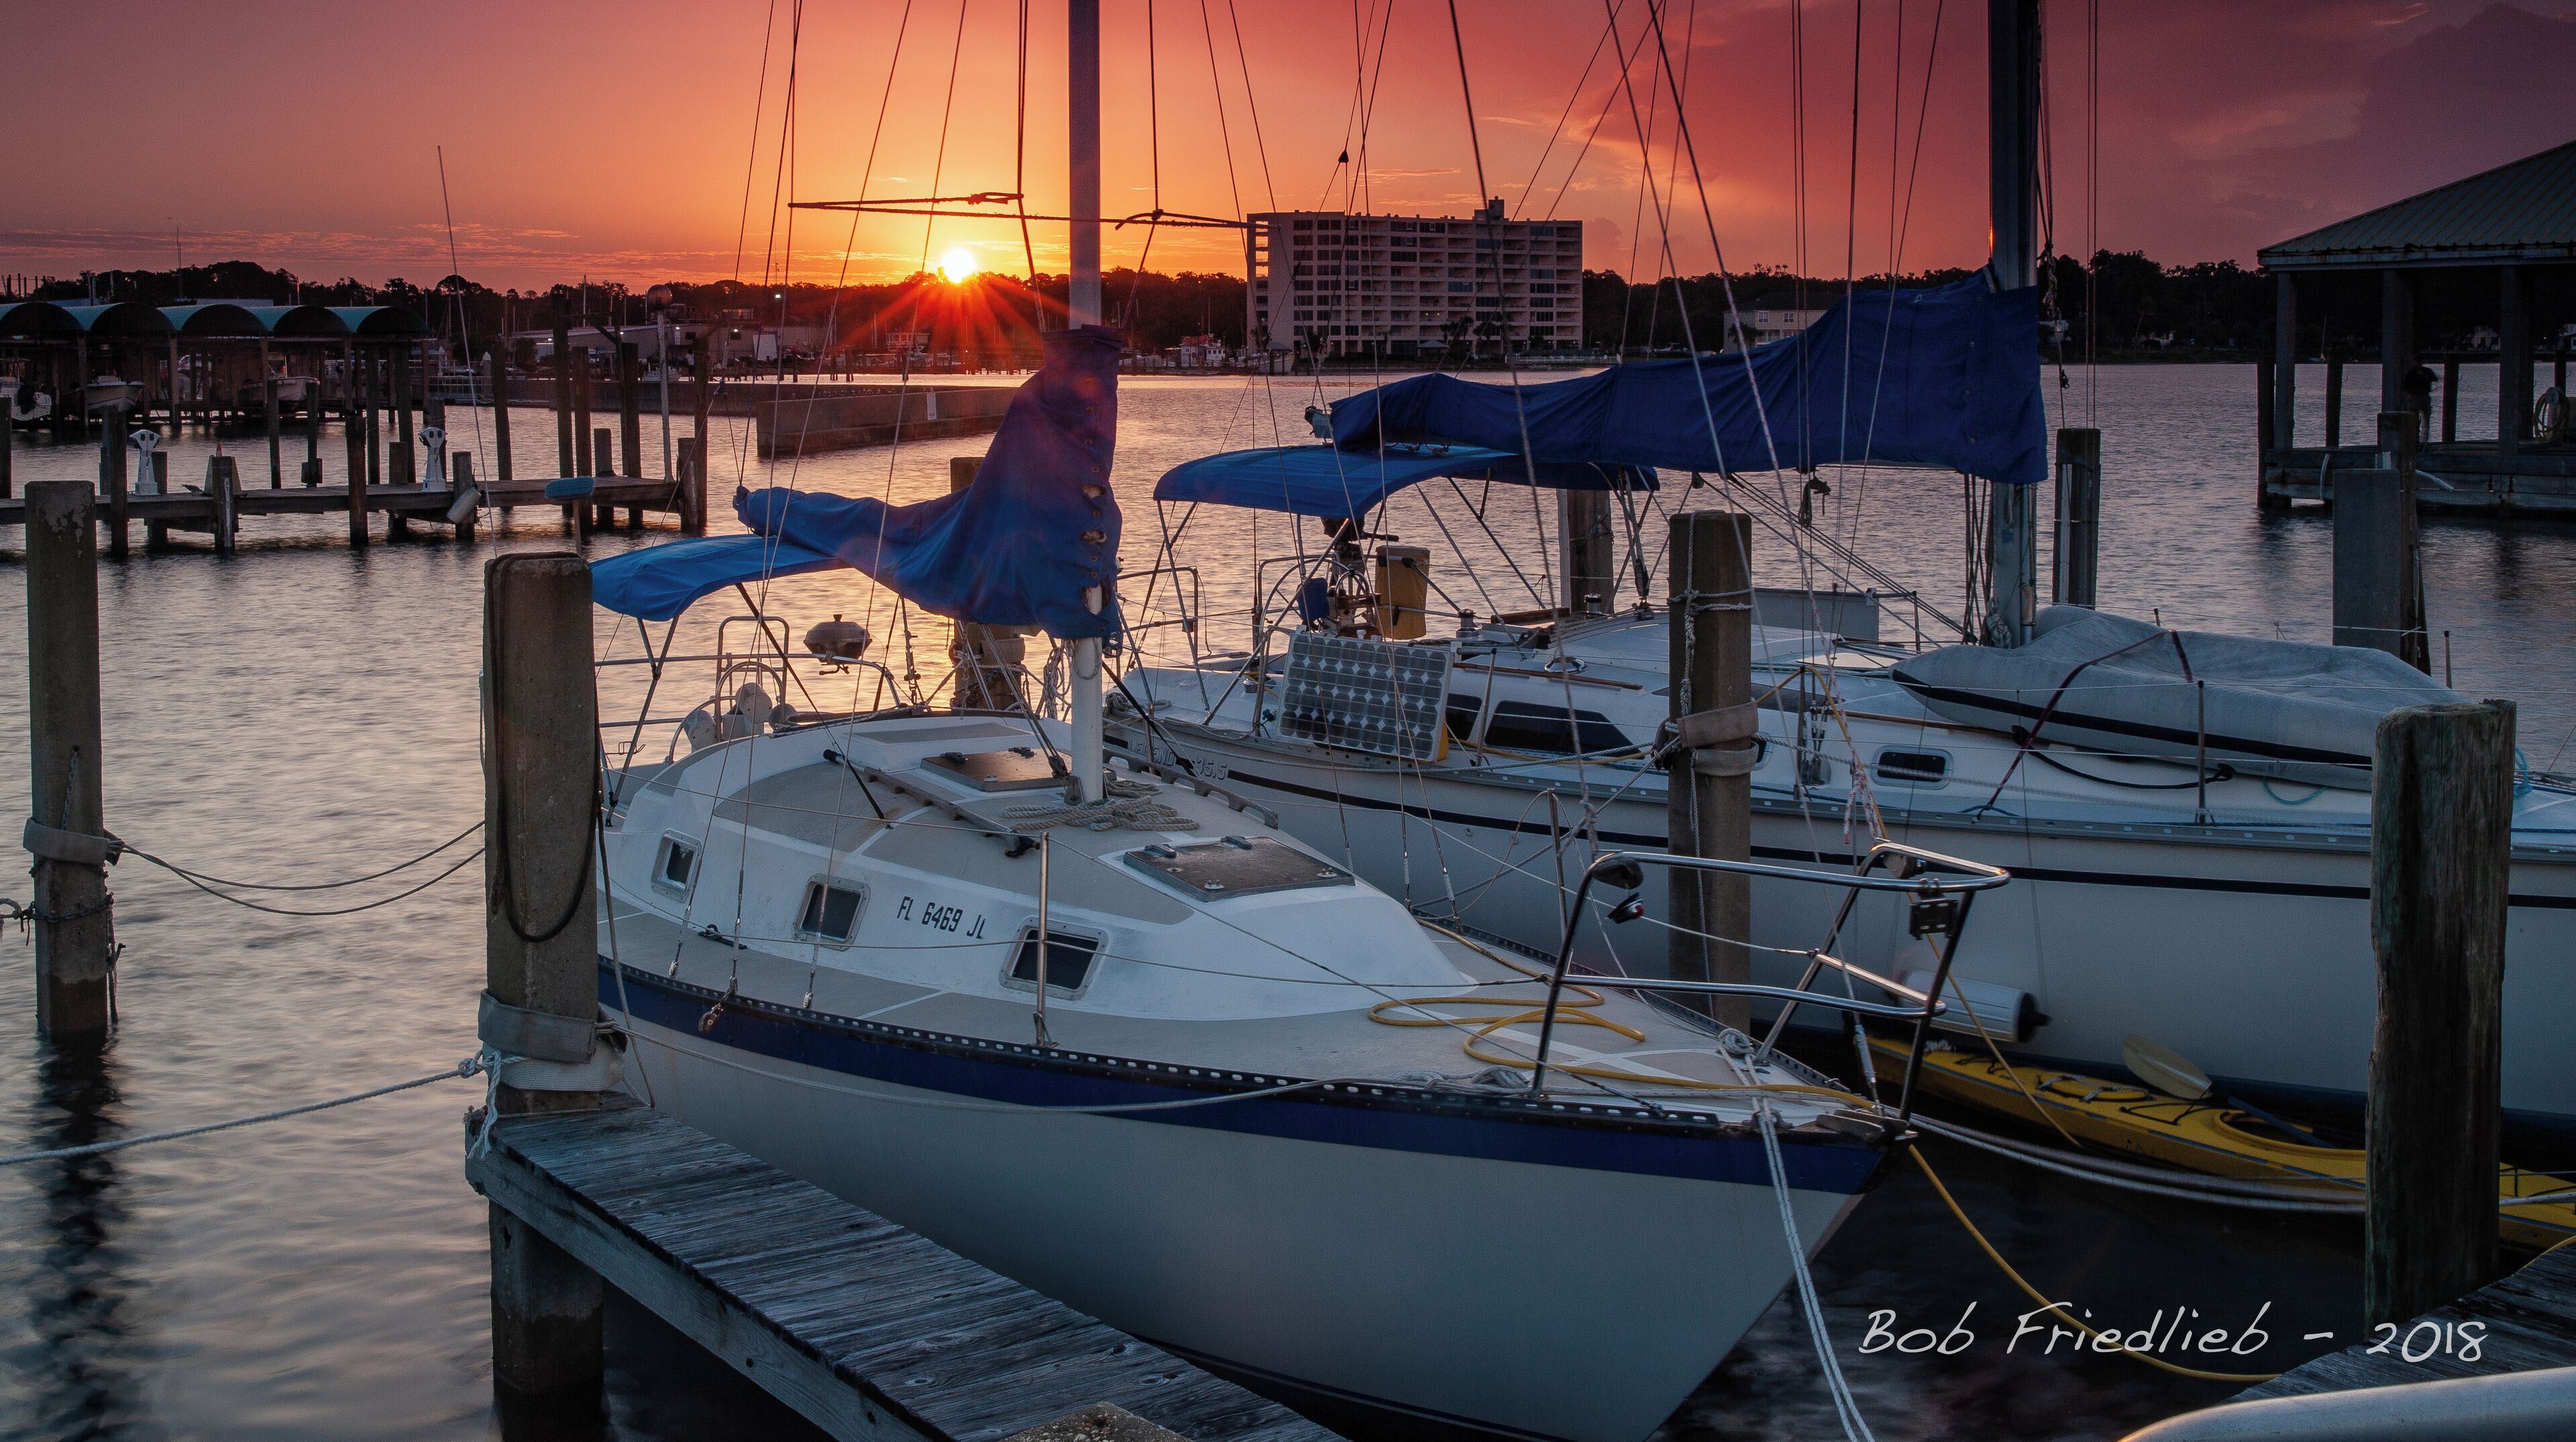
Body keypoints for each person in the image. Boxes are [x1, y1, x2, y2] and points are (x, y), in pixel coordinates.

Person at [2402, 362, 2437, 443]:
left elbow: (2435, 379)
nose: (2418, 363)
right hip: (2414, 397)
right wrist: (2409, 396)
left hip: (2425, 396)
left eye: (2419, 361)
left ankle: (2424, 441)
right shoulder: (2411, 374)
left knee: (2426, 419)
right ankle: (2415, 440)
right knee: (2414, 420)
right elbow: (2405, 387)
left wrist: (2426, 377)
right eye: (2416, 361)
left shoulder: (2427, 371)